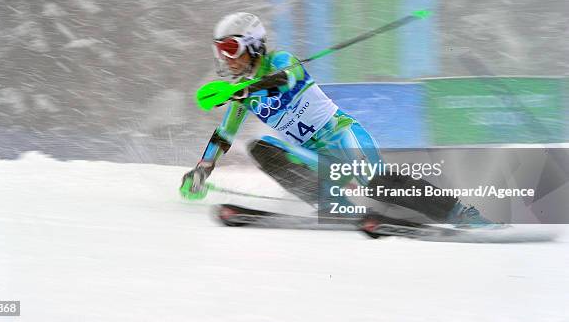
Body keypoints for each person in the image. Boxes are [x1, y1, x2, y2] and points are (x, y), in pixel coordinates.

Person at [180, 12, 490, 226]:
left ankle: (460, 213)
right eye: (220, 51)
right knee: (261, 147)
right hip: (314, 154)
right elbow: (224, 135)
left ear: (254, 44)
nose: (226, 59)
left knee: (374, 182)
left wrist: (243, 90)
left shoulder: (281, 60)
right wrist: (202, 170)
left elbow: (287, 78)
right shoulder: (241, 95)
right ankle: (332, 204)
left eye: (231, 48)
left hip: (342, 135)